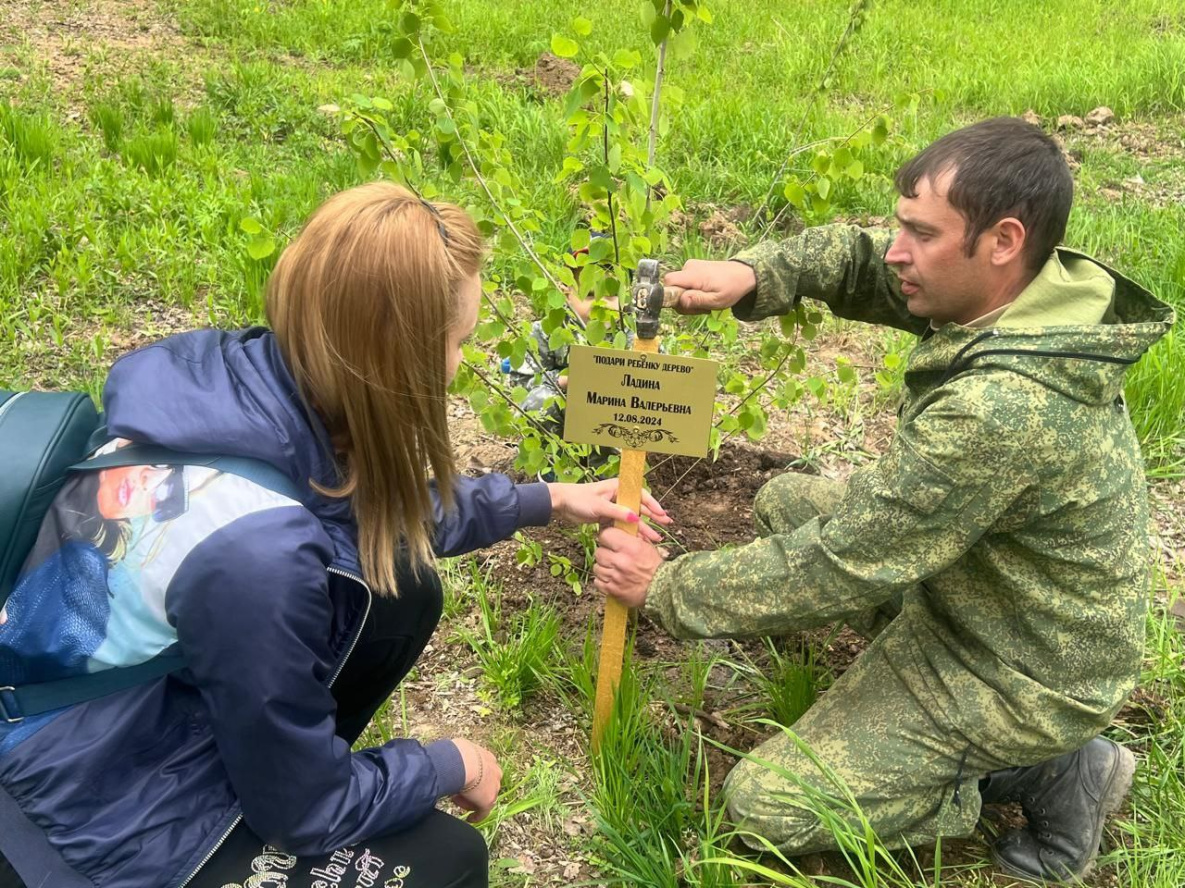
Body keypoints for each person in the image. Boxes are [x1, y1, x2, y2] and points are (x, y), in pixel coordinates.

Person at [0, 182, 669, 888]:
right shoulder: (259, 555)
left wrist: (546, 499)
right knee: (448, 862)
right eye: (458, 343)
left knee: (398, 584)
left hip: (107, 706)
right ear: (396, 359)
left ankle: (284, 748)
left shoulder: (236, 381)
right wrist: (450, 761)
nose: (458, 366)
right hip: (82, 806)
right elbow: (304, 813)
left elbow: (358, 502)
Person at [593, 117, 1174, 882]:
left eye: (921, 233)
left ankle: (1046, 771)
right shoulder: (1019, 297)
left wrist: (662, 587)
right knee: (787, 501)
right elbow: (864, 261)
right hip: (990, 595)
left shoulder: (1002, 409)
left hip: (1020, 671)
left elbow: (842, 563)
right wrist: (752, 272)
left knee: (769, 807)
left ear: (1001, 240)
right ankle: (928, 731)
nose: (897, 250)